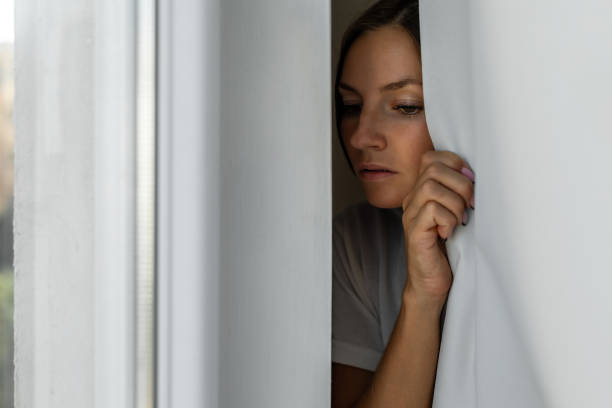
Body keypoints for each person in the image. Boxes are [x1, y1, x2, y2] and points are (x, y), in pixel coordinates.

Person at [331, 0, 475, 406]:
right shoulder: (356, 241)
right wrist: (423, 295)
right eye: (351, 107)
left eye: (405, 106)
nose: (361, 137)